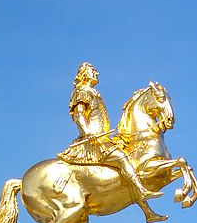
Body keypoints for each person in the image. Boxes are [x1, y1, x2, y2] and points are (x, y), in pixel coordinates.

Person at [58, 62, 163, 206]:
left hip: (102, 139)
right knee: (122, 158)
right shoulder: (82, 91)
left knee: (126, 169)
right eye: (93, 70)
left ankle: (148, 212)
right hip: (93, 143)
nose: (97, 73)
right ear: (84, 74)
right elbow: (79, 115)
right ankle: (141, 191)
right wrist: (88, 133)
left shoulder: (93, 93)